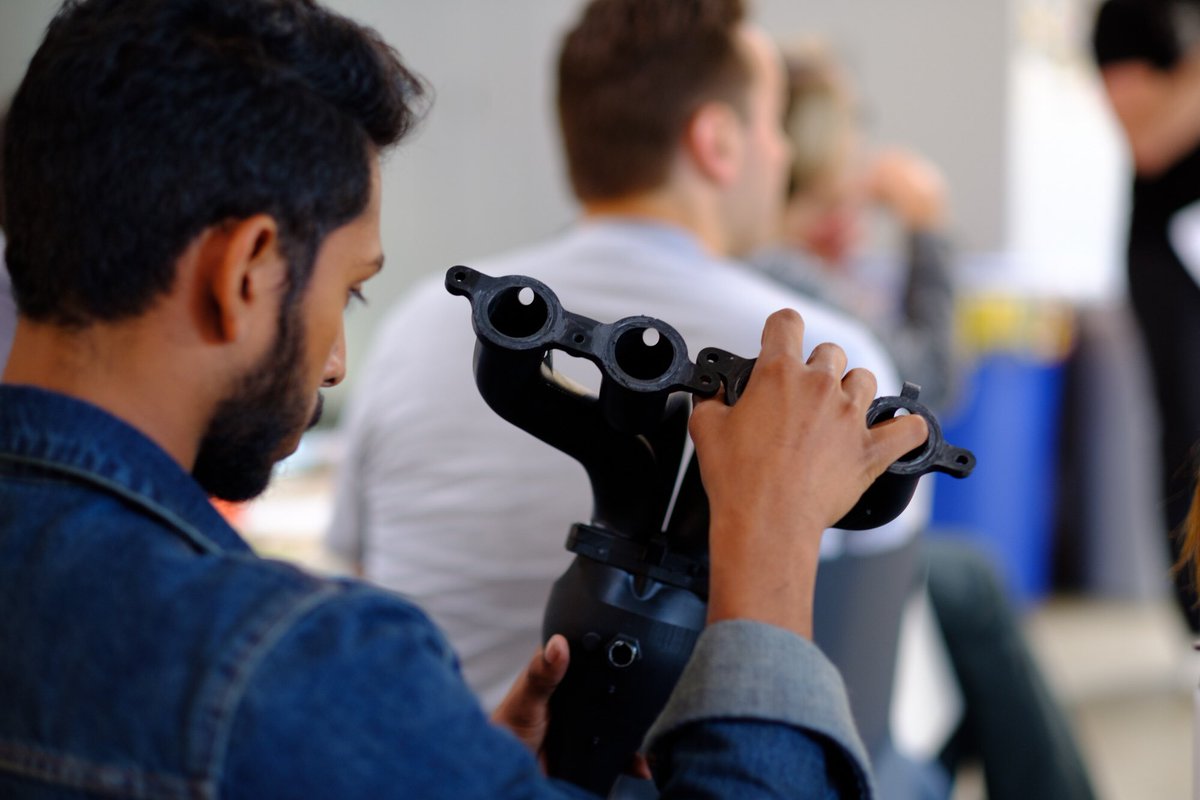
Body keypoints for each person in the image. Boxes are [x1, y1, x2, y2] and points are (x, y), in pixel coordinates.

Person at [0, 0, 930, 797]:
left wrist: (444, 765)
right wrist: (766, 548)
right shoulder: (287, 667)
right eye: (346, 292)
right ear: (245, 271)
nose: (331, 366)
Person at [329, 1, 942, 795]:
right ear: (716, 142)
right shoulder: (830, 365)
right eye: (771, 126)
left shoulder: (416, 324)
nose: (783, 150)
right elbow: (847, 710)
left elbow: (356, 588)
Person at [751, 42, 1097, 800]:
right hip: (822, 575)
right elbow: (929, 394)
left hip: (817, 558)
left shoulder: (785, 266)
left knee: (974, 605)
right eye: (851, 122)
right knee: (973, 591)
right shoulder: (786, 278)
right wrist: (928, 228)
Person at [1092, 0, 1200, 633]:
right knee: (1189, 433)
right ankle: (1196, 625)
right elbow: (1150, 138)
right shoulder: (1128, 16)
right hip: (1166, 259)